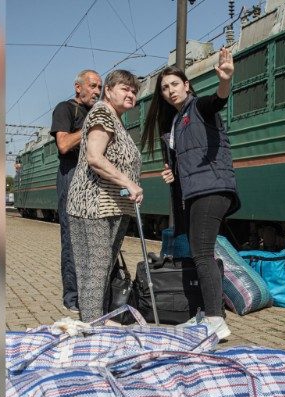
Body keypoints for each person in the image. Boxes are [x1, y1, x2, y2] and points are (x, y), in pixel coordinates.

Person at [141, 47, 241, 340]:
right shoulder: (174, 122)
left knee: (201, 253)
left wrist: (225, 80)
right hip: (197, 191)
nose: (170, 91)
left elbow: (217, 101)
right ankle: (211, 316)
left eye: (175, 84)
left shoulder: (197, 108)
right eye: (164, 88)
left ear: (186, 85)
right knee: (201, 252)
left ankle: (215, 321)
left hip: (212, 189)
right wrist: (172, 172)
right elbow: (182, 160)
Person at [66, 69, 142, 323]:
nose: (131, 94)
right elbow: (94, 157)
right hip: (94, 204)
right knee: (95, 268)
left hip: (114, 206)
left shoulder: (117, 119)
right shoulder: (102, 113)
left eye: (134, 91)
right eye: (125, 88)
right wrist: (128, 182)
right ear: (108, 90)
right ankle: (91, 326)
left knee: (103, 267)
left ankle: (95, 320)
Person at [50, 69, 102, 313]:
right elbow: (63, 145)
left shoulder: (95, 112)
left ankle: (92, 295)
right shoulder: (65, 109)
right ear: (78, 87)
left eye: (99, 87)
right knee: (72, 239)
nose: (97, 91)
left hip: (92, 179)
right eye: (92, 85)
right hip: (71, 177)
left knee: (92, 240)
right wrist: (90, 128)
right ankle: (72, 298)